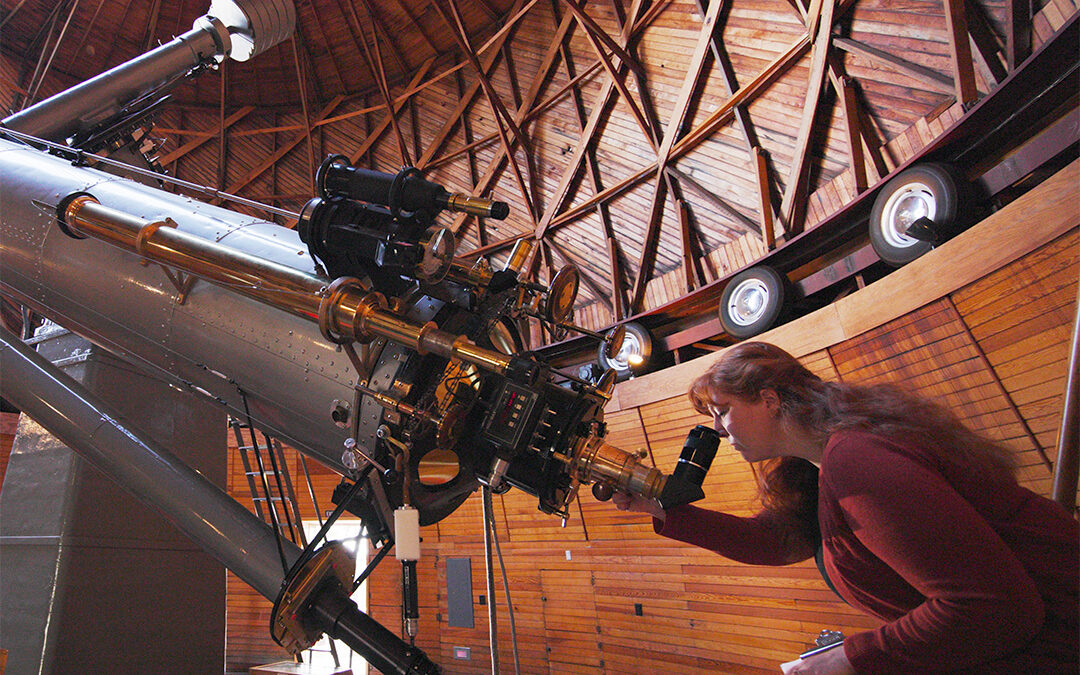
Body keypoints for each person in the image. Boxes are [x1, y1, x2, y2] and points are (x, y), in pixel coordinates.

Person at [613, 341, 1078, 674]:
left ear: (769, 400)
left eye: (722, 410)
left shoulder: (856, 461)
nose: (716, 428)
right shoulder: (823, 464)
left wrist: (847, 660)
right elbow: (779, 540)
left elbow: (995, 607)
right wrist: (660, 510)